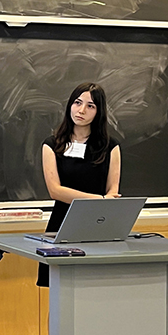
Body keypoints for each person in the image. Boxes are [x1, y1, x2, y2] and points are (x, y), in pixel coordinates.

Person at [38, 82, 121, 287]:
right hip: (62, 225)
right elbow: (55, 191)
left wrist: (105, 200)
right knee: (60, 295)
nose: (81, 110)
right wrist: (99, 199)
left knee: (95, 291)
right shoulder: (52, 144)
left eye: (90, 106)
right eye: (77, 102)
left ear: (99, 112)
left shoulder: (110, 147)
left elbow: (113, 191)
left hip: (97, 227)